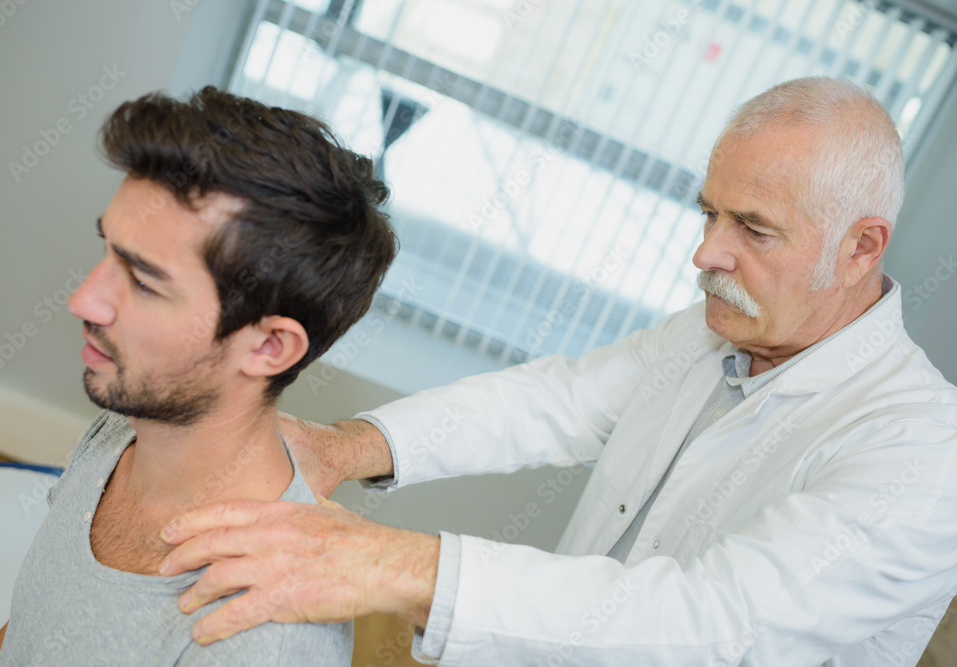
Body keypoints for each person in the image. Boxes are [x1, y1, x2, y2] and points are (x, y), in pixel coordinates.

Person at [158, 76, 957, 666]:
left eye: (753, 227)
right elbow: (556, 399)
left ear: (860, 248)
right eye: (708, 212)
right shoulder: (715, 330)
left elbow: (719, 623)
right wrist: (349, 445)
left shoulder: (924, 453)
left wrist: (398, 566)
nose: (706, 252)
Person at [0, 86, 397, 667]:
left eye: (145, 282)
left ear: (269, 346)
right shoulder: (122, 430)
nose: (84, 301)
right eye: (109, 253)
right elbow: (37, 624)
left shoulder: (257, 638)